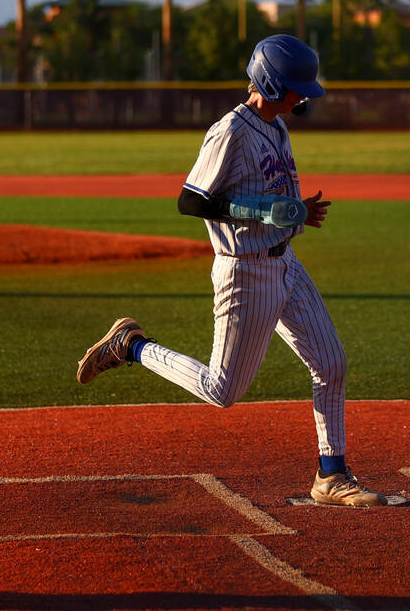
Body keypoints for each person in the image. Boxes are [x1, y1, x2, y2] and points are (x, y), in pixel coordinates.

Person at [76, 34, 386, 508]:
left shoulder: (277, 125)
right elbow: (190, 200)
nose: (303, 96)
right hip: (245, 274)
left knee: (331, 364)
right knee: (222, 390)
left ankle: (332, 474)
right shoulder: (231, 131)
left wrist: (296, 212)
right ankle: (132, 346)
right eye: (295, 89)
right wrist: (261, 212)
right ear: (269, 81)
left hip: (285, 263)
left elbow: (270, 194)